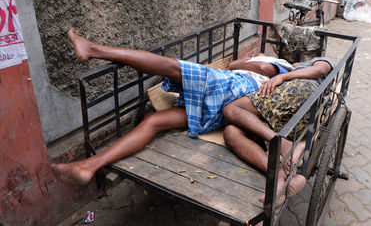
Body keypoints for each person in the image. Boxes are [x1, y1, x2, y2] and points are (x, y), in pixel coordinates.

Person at [51, 27, 293, 185]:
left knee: (172, 67)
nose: (260, 53)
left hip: (237, 88)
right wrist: (245, 61)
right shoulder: (255, 62)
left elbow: (259, 69)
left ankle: (94, 49)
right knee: (154, 121)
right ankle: (90, 165)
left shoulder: (281, 65)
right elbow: (231, 65)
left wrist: (255, 60)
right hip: (223, 105)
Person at [223, 57, 334, 203]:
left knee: (232, 109)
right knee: (231, 132)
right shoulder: (291, 66)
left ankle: (283, 145)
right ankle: (281, 175)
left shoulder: (318, 61)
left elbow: (320, 69)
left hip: (302, 91)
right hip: (291, 121)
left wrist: (282, 76)